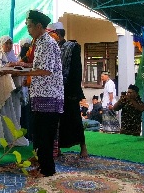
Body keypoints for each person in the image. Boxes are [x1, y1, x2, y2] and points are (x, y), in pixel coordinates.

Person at [20, 10, 64, 178]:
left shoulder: (47, 43)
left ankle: (47, 170)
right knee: (39, 133)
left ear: (39, 26)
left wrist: (19, 73)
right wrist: (20, 65)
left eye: (30, 26)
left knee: (44, 134)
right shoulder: (40, 41)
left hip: (49, 96)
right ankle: (42, 165)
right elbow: (37, 65)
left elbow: (45, 71)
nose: (28, 30)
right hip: (41, 95)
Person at [48, 21, 88, 158]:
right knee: (58, 122)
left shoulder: (72, 47)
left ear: (57, 34)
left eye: (50, 34)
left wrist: (74, 92)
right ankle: (57, 148)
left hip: (69, 91)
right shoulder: (52, 48)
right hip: (55, 91)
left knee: (75, 119)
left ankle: (83, 147)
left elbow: (77, 71)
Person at [0, 35, 29, 147]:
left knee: (15, 113)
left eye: (10, 43)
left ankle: (13, 135)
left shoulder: (14, 57)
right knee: (4, 112)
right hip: (4, 89)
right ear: (2, 44)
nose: (9, 46)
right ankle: (3, 137)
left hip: (15, 90)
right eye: (7, 43)